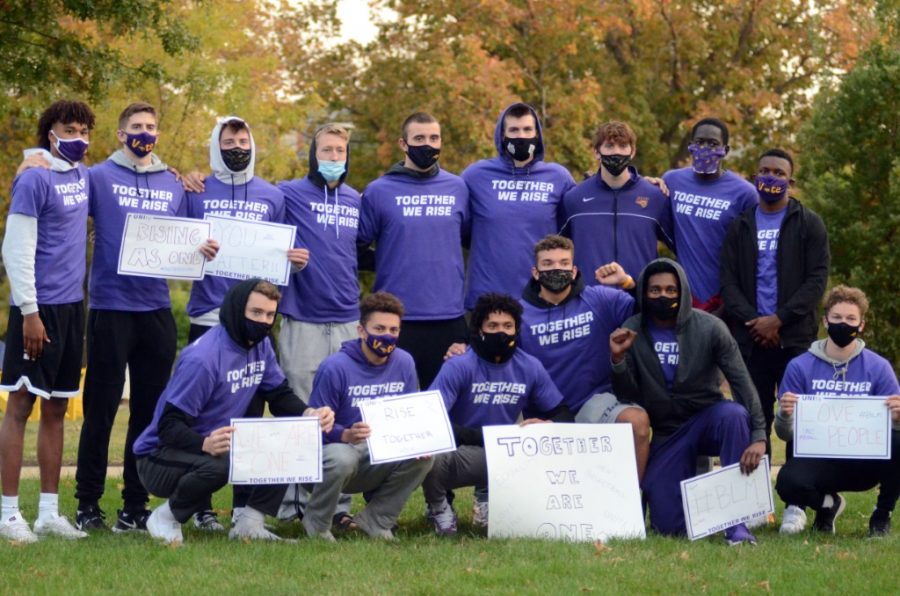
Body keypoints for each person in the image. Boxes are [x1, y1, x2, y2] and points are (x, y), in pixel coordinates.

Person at [73, 102, 217, 532]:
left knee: (148, 413)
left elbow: (193, 233)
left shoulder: (173, 180)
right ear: (120, 135)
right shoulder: (97, 177)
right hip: (109, 308)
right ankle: (87, 504)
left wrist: (203, 246)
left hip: (155, 310)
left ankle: (134, 504)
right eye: (136, 126)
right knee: (99, 411)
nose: (144, 132)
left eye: (151, 126)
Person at [133, 279, 335, 546]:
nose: (263, 321)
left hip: (211, 446)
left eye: (270, 315)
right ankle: (166, 517)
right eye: (256, 313)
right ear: (237, 308)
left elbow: (277, 394)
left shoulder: (261, 345)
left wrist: (309, 412)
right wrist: (204, 443)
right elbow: (168, 426)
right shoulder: (203, 359)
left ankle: (249, 524)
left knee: (290, 438)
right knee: (222, 463)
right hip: (157, 458)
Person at [609, 258, 766, 544]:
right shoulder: (632, 328)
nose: (663, 295)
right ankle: (692, 495)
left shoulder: (710, 327)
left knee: (733, 415)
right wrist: (619, 359)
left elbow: (742, 383)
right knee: (668, 527)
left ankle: (737, 526)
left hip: (707, 419)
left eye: (671, 289)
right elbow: (628, 396)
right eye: (655, 290)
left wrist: (758, 435)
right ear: (643, 292)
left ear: (682, 292)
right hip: (668, 431)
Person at [0, 100, 95, 543]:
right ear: (50, 132)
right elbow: (15, 251)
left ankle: (49, 514)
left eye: (83, 129)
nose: (77, 136)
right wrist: (30, 313)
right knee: (20, 407)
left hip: (73, 307)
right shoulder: (34, 179)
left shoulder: (81, 175)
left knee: (57, 408)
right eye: (68, 128)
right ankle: (8, 514)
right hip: (36, 310)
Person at [275, 123, 361, 526]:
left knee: (342, 414)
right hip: (301, 318)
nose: (333, 157)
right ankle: (292, 506)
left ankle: (337, 509)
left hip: (347, 319)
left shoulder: (357, 199)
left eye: (339, 151)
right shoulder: (288, 193)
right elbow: (255, 217)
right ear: (313, 155)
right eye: (326, 150)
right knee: (301, 412)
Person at [424, 293, 564, 534]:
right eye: (493, 325)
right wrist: (481, 437)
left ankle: (492, 502)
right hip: (459, 449)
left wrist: (547, 423)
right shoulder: (458, 365)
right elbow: (430, 417)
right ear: (479, 328)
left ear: (517, 329)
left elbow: (562, 412)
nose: (501, 332)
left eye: (508, 326)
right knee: (430, 454)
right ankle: (439, 507)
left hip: (504, 452)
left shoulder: (529, 366)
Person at [720, 149, 829, 456]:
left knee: (799, 421)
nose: (771, 177)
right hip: (750, 340)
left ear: (790, 181)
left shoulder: (809, 224)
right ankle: (758, 501)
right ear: (755, 179)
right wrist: (755, 322)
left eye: (779, 173)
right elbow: (728, 284)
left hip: (794, 338)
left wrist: (778, 319)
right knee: (754, 422)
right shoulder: (739, 227)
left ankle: (799, 495)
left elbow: (816, 281)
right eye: (765, 171)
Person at [517, 235, 652, 481]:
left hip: (595, 404)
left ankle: (630, 507)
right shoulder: (519, 315)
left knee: (637, 422)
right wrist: (459, 348)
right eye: (548, 264)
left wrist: (628, 283)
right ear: (535, 273)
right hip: (546, 413)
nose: (556, 268)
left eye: (563, 263)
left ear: (574, 269)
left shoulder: (599, 299)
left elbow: (650, 312)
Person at [303, 292, 433, 541]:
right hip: (333, 457)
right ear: (361, 331)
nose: (387, 335)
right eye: (380, 328)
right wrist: (346, 434)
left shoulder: (404, 362)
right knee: (342, 456)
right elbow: (313, 430)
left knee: (425, 457)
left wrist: (418, 443)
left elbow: (408, 415)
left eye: (394, 330)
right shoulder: (335, 367)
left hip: (380, 453)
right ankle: (317, 523)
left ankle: (376, 521)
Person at [774, 285, 900, 537]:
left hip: (864, 462)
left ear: (861, 324)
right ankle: (828, 505)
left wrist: (897, 419)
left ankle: (882, 514)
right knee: (787, 483)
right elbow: (785, 435)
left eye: (851, 319)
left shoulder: (879, 367)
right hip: (819, 460)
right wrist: (785, 415)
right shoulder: (800, 366)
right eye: (837, 318)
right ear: (825, 321)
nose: (844, 324)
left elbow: (893, 428)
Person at [358, 112, 469, 389]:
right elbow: (357, 248)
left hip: (449, 316)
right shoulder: (378, 191)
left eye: (434, 138)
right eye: (419, 138)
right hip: (396, 319)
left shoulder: (458, 187)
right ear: (403, 144)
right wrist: (390, 260)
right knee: (394, 408)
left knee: (445, 408)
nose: (428, 144)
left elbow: (470, 239)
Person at [185, 115, 308, 341]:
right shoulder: (196, 190)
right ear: (216, 146)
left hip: (256, 314)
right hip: (209, 312)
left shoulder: (272, 195)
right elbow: (177, 245)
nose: (237, 148)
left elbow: (278, 255)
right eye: (229, 143)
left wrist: (294, 264)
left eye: (243, 142)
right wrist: (195, 249)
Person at [461, 102, 575, 309]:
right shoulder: (476, 175)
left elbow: (570, 231)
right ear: (502, 135)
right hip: (487, 298)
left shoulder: (558, 177)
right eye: (514, 130)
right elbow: (460, 228)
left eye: (527, 130)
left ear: (537, 134)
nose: (521, 136)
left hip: (542, 297)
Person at [558, 121, 673, 283]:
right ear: (597, 152)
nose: (616, 152)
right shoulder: (574, 199)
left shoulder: (655, 197)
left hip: (639, 301)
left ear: (632, 151)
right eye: (610, 146)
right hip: (588, 300)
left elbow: (682, 249)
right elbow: (551, 248)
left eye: (623, 146)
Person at [663, 118, 757, 314]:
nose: (705, 148)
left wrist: (730, 303)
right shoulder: (672, 180)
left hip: (726, 298)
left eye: (713, 144)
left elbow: (753, 254)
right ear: (690, 146)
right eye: (700, 142)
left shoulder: (745, 194)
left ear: (726, 150)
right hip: (684, 295)